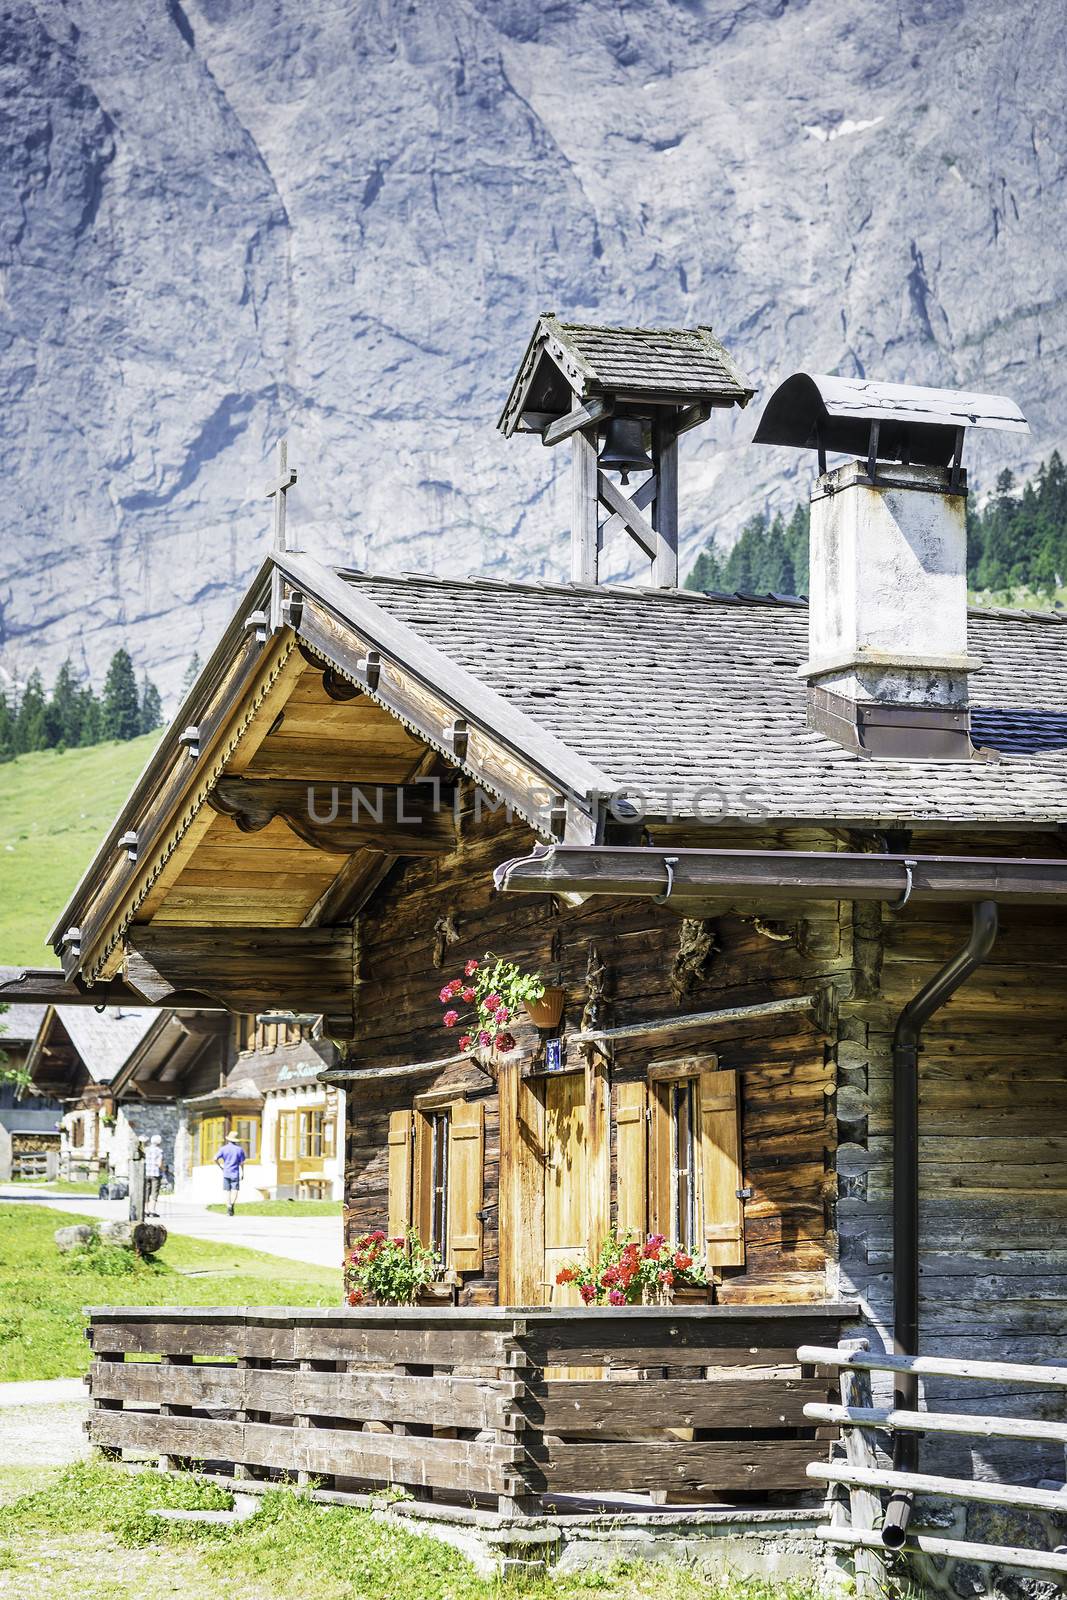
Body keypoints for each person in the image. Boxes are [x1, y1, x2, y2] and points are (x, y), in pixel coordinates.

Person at [215, 1130, 246, 1216]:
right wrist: (243, 1172)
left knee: (227, 1191)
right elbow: (242, 1163)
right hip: (235, 1173)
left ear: (228, 1139)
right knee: (235, 1190)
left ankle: (228, 1207)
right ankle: (232, 1205)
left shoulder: (223, 1149)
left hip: (226, 1172)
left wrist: (220, 1166)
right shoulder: (239, 1150)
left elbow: (215, 1158)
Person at [144, 1134, 164, 1216]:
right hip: (155, 1174)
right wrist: (164, 1169)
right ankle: (152, 1210)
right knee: (154, 1192)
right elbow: (159, 1164)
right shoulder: (159, 1151)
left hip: (146, 1173)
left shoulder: (146, 1150)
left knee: (146, 1192)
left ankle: (146, 1210)